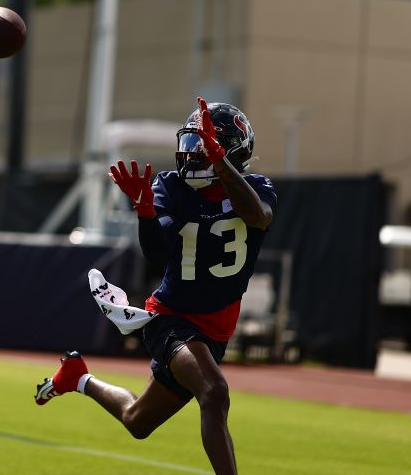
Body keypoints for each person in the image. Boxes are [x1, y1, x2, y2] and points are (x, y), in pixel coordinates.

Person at [35, 97, 277, 475]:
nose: (194, 155)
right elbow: (158, 253)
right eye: (193, 144)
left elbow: (258, 217)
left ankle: (77, 377)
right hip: (172, 319)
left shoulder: (256, 187)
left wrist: (222, 166)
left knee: (137, 421)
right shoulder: (172, 186)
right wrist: (146, 213)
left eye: (206, 146)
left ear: (232, 151)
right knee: (214, 393)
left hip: (216, 329)